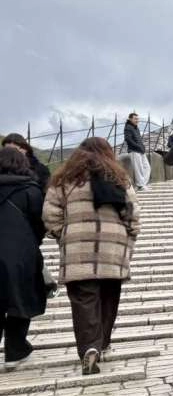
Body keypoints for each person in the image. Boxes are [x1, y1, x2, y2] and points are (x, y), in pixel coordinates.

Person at [43, 137, 140, 375]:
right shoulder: (119, 178)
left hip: (78, 250)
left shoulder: (64, 180)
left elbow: (50, 214)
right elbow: (132, 212)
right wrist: (129, 236)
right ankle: (103, 343)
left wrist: (64, 234)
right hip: (113, 249)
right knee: (109, 297)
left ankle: (90, 347)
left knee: (84, 300)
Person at [0, 147, 47, 369]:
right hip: (20, 254)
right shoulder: (31, 190)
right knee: (21, 300)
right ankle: (15, 350)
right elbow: (40, 224)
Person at [123, 112, 150, 191]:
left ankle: (142, 184)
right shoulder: (128, 127)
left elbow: (139, 139)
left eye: (137, 119)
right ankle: (141, 185)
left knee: (147, 167)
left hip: (140, 150)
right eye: (135, 119)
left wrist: (142, 147)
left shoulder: (136, 128)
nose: (137, 120)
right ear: (130, 119)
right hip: (134, 151)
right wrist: (138, 147)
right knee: (139, 169)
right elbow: (128, 139)